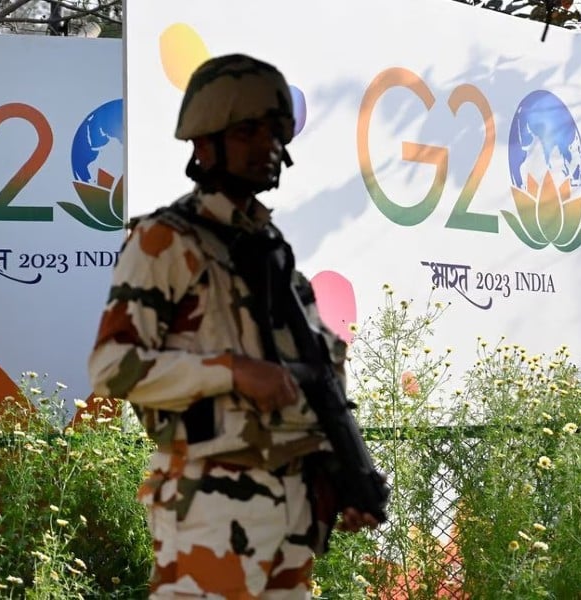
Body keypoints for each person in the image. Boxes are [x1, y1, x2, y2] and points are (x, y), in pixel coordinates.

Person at [88, 54, 378, 599]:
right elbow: (111, 369)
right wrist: (231, 372)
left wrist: (343, 476)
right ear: (204, 142)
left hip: (293, 506)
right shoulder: (165, 241)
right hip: (211, 504)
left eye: (275, 130)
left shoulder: (272, 249)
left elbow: (316, 377)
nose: (266, 143)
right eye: (247, 130)